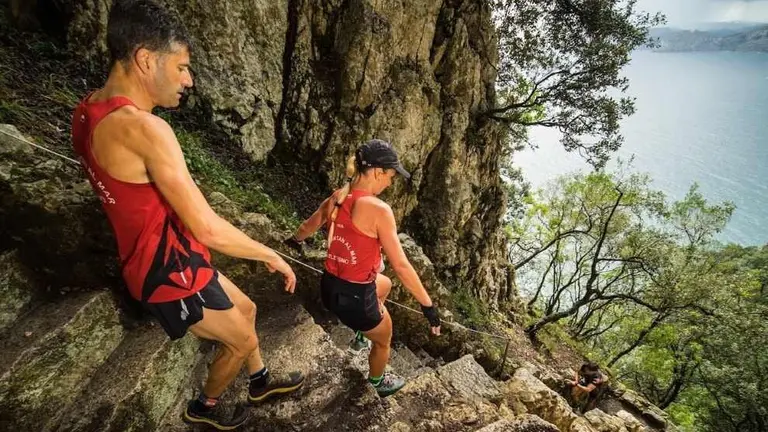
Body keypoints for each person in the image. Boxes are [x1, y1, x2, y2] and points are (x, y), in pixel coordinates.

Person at [70, 1, 303, 429]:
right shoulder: (146, 130)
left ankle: (259, 381)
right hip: (166, 272)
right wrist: (271, 254)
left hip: (174, 255)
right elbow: (207, 227)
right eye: (181, 67)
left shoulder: (87, 111)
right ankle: (204, 410)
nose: (188, 80)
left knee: (247, 308)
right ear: (145, 59)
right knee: (241, 340)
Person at [285, 139, 441, 397]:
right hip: (356, 300)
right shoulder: (379, 209)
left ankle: (360, 335)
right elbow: (401, 265)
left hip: (329, 288)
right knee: (384, 340)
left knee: (385, 284)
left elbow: (306, 227)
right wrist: (428, 307)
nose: (389, 183)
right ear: (378, 172)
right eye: (390, 177)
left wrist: (294, 241)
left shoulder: (338, 197)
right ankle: (377, 382)